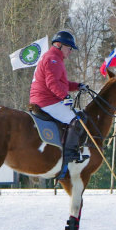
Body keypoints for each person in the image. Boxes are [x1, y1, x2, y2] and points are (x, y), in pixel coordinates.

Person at [29, 30, 89, 177]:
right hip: (46, 100)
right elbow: (52, 83)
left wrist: (77, 86)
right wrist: (65, 97)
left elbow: (62, 83)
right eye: (69, 48)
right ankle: (69, 155)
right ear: (59, 45)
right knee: (77, 119)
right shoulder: (53, 59)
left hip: (46, 98)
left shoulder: (54, 58)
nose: (70, 51)